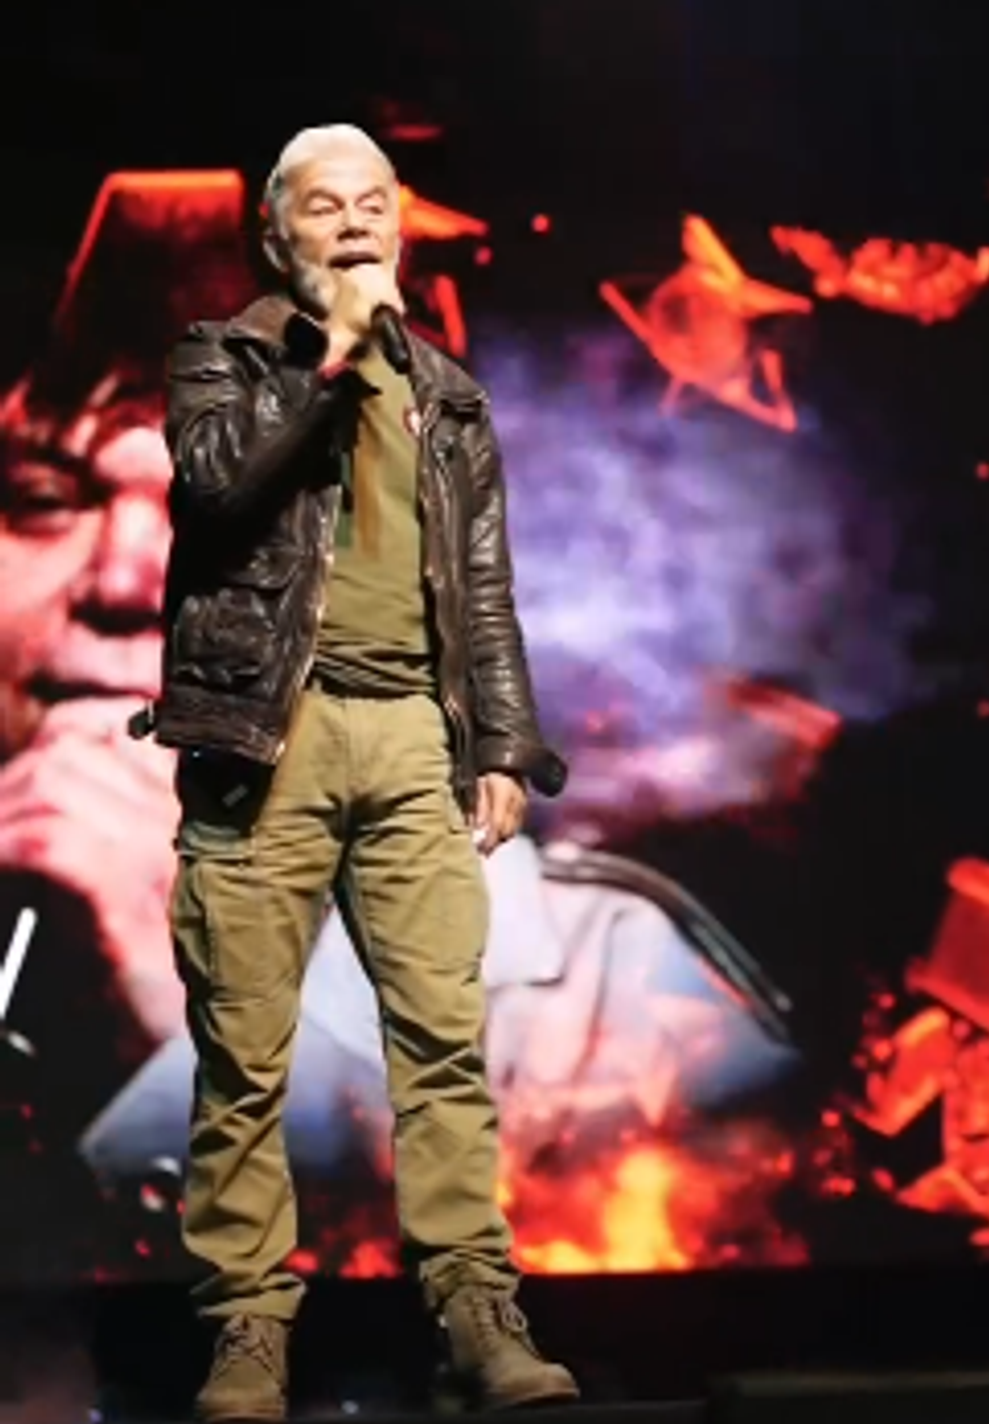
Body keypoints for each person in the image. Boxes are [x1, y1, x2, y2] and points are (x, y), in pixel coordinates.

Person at [152, 124, 578, 1418]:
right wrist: (327, 356)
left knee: (444, 1041)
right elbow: (216, 487)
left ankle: (475, 1310)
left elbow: (485, 586)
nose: (354, 224)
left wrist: (501, 742)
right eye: (324, 206)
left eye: (374, 205)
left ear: (402, 225)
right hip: (265, 735)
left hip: (410, 738)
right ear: (275, 233)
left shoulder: (448, 393)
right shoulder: (222, 356)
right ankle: (247, 1326)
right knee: (244, 1051)